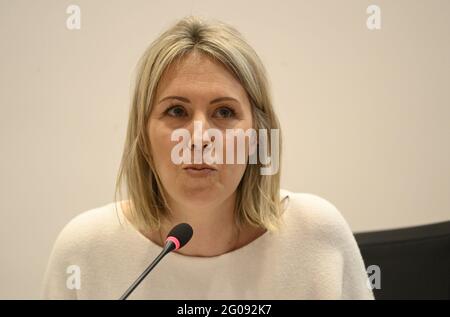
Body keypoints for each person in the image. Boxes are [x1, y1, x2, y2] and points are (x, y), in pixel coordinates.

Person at [42, 16, 374, 300]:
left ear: (256, 137)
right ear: (142, 137)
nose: (200, 137)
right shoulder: (84, 250)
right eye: (176, 111)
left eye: (224, 112)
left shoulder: (315, 235)